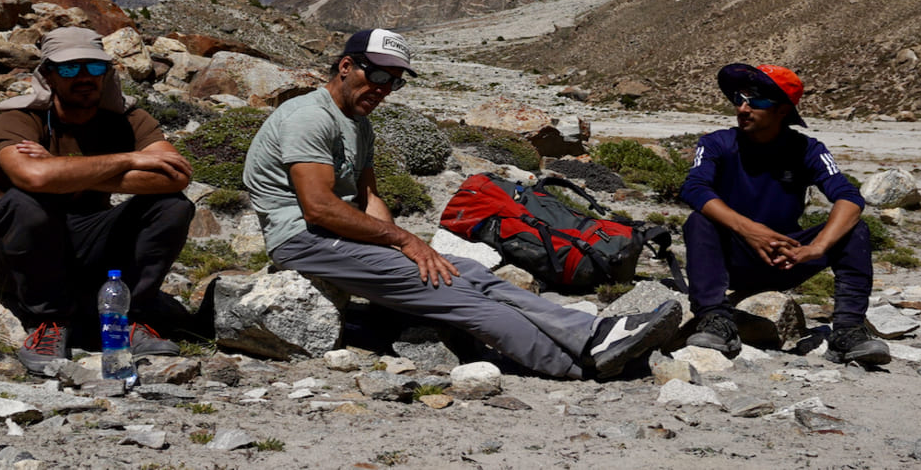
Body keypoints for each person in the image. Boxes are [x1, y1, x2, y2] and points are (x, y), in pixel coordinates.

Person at [242, 29, 682, 379]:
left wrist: (403, 247)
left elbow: (370, 195)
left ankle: (593, 333)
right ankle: (572, 363)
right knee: (448, 290)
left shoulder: (357, 122)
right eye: (377, 76)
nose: (384, 89)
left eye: (394, 82)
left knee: (466, 271)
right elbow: (318, 206)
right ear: (345, 66)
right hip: (303, 238)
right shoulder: (309, 117)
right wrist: (406, 243)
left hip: (336, 233)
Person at [0, 26, 196, 374]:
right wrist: (128, 159)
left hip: (88, 237)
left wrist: (57, 169)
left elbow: (175, 175)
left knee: (173, 206)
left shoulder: (129, 120)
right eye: (68, 68)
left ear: (106, 73)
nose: (83, 77)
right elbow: (32, 178)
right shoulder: (19, 118)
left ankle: (128, 318)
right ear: (48, 74)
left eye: (94, 68)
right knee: (26, 203)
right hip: (14, 249)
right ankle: (48, 322)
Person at [680, 63, 890, 365]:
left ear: (782, 110)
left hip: (786, 257)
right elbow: (694, 188)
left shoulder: (808, 149)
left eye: (757, 100)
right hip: (732, 258)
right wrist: (748, 230)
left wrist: (815, 248)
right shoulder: (717, 143)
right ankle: (716, 320)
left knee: (856, 230)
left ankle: (847, 331)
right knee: (700, 220)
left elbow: (849, 197)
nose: (743, 108)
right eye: (739, 99)